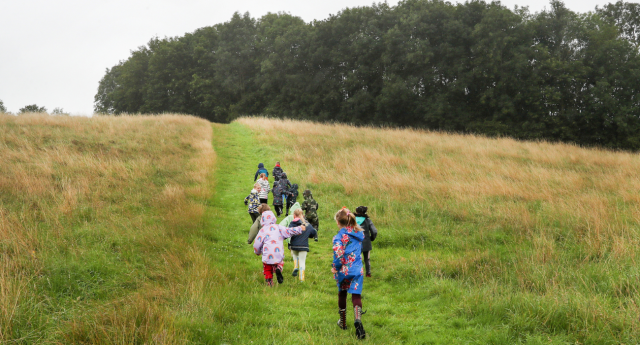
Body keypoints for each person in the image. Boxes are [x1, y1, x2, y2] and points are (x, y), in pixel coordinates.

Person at [332, 207, 366, 339]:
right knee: (356, 295)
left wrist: (335, 266)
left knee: (343, 293)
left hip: (344, 270)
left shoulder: (338, 237)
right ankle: (358, 319)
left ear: (338, 223)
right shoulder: (359, 234)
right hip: (357, 269)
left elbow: (339, 255)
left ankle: (343, 322)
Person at [254, 211, 305, 286]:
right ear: (273, 218)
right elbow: (289, 231)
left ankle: (269, 282)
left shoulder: (262, 230)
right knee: (279, 262)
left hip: (267, 254)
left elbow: (257, 243)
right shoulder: (278, 227)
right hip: (278, 253)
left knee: (267, 268)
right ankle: (278, 268)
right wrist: (300, 228)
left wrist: (257, 252)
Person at [288, 208, 317, 282]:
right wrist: (310, 236)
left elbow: (288, 232)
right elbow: (313, 232)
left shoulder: (292, 223)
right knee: (302, 261)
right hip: (304, 246)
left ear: (294, 216)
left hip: (294, 245)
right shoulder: (307, 224)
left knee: (295, 255)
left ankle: (295, 266)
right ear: (303, 215)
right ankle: (301, 278)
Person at [355, 206, 378, 278]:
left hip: (356, 242)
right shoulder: (368, 220)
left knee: (356, 258)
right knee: (367, 259)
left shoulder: (353, 220)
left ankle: (357, 273)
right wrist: (371, 238)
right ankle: (368, 273)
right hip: (366, 242)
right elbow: (374, 231)